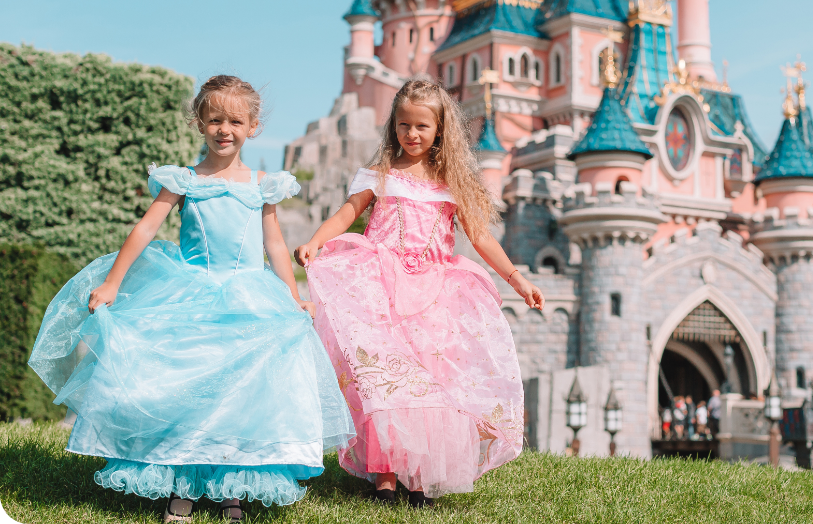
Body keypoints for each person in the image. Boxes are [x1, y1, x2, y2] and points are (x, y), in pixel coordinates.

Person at [27, 76, 355, 523]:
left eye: (235, 120)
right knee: (184, 390)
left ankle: (231, 486)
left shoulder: (264, 185)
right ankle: (180, 485)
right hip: (189, 291)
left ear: (253, 127)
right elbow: (145, 229)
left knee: (241, 394)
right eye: (215, 119)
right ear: (199, 122)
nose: (225, 129)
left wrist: (293, 297)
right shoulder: (182, 180)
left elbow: (274, 246)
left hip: (247, 294)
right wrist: (113, 284)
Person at [294, 77, 544, 507]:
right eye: (404, 125)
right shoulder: (381, 176)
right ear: (394, 126)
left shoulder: (451, 183)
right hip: (379, 286)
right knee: (384, 383)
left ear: (439, 130)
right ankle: (385, 477)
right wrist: (316, 240)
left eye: (421, 127)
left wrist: (516, 277)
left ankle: (419, 477)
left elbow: (480, 237)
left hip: (434, 294)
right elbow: (348, 212)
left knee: (431, 383)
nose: (411, 134)